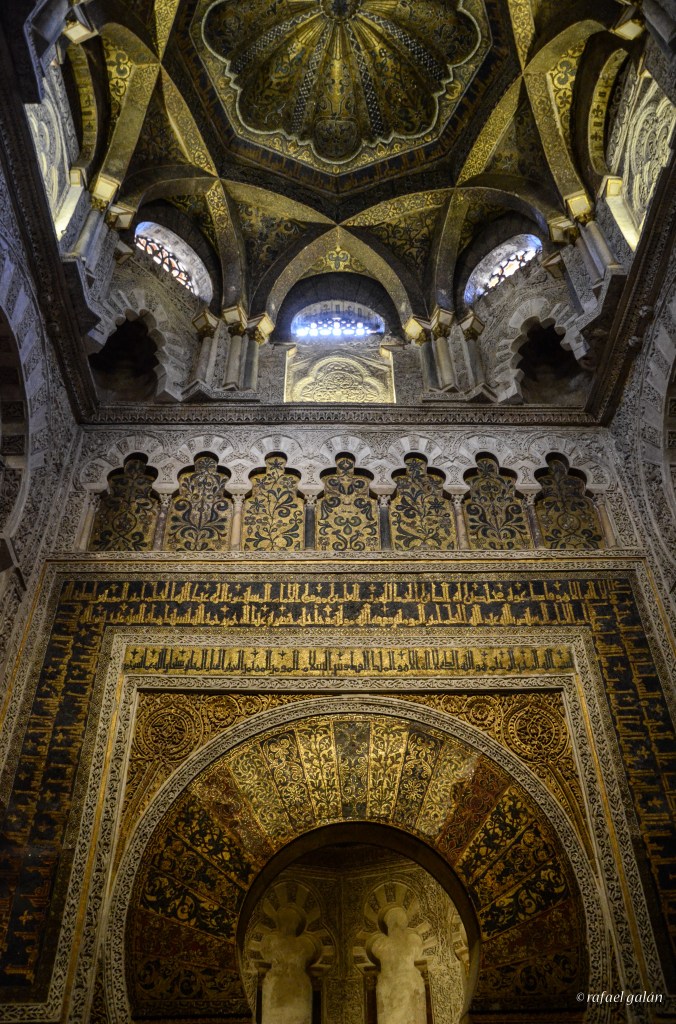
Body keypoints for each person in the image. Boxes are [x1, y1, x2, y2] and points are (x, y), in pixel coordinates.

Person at [371, 907, 426, 1024]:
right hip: (391, 987)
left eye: (398, 921)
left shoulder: (412, 941)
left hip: (405, 985)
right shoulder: (382, 945)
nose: (396, 925)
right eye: (393, 921)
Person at [260, 906, 315, 1024]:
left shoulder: (302, 945)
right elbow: (268, 956)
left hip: (298, 989)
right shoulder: (274, 942)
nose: (288, 925)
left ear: (296, 924)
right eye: (285, 920)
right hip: (276, 987)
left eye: (291, 921)